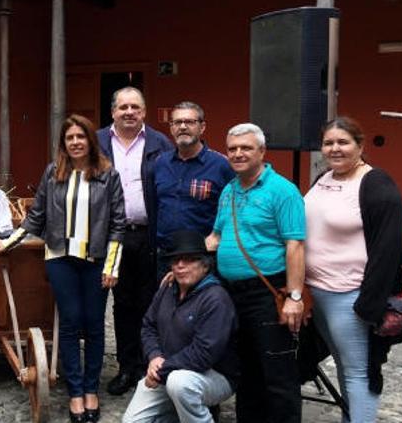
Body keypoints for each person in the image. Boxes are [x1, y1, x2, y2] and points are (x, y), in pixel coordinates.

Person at [0, 114, 125, 422]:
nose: (76, 142)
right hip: (60, 259)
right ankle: (75, 393)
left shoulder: (108, 174)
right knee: (68, 323)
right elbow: (35, 216)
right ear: (63, 143)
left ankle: (92, 390)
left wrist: (112, 265)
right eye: (70, 138)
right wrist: (7, 244)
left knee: (93, 325)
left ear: (91, 140)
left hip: (95, 261)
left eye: (81, 136)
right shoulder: (53, 173)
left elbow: (118, 223)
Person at [303, 116, 402, 423]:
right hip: (318, 293)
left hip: (349, 297)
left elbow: (388, 251)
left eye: (343, 142)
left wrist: (368, 305)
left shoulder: (376, 184)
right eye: (328, 143)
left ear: (360, 146)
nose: (335, 149)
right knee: (344, 365)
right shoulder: (324, 178)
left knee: (358, 373)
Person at [205, 123, 307, 423]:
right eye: (233, 149)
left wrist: (295, 296)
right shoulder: (229, 190)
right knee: (246, 369)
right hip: (232, 293)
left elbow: (296, 245)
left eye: (246, 148)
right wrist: (184, 264)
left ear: (262, 151)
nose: (238, 154)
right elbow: (216, 238)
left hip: (269, 292)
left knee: (277, 373)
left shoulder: (283, 191)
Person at [97, 87, 172, 396]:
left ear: (144, 111)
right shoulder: (97, 142)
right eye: (123, 107)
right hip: (111, 235)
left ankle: (148, 366)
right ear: (113, 111)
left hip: (148, 234)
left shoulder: (160, 143)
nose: (129, 112)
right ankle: (127, 367)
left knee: (151, 302)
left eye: (135, 107)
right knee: (122, 303)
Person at [122, 230, 238, 423]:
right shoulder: (167, 288)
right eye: (175, 261)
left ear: (205, 265)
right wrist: (154, 357)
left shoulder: (216, 298)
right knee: (131, 421)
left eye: (189, 260)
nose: (180, 266)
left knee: (180, 384)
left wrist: (161, 370)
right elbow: (148, 326)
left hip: (213, 375)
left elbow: (204, 353)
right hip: (167, 369)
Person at [154, 101, 234, 277]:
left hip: (202, 257)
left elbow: (233, 212)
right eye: (177, 122)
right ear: (171, 128)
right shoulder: (160, 163)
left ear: (202, 127)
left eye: (190, 122)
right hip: (166, 256)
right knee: (166, 304)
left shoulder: (221, 166)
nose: (183, 127)